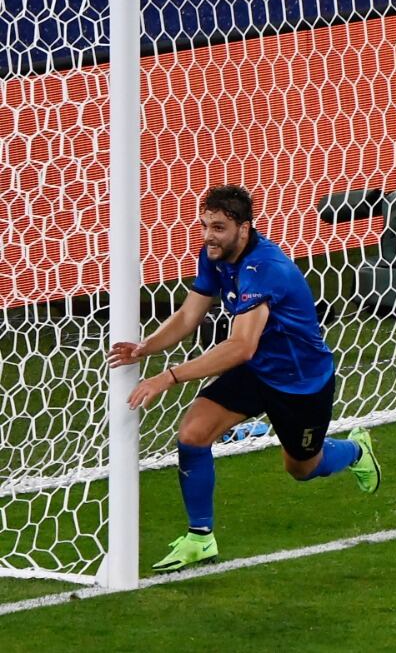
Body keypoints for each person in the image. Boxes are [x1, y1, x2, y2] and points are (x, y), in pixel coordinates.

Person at [108, 185, 381, 572]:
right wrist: (145, 347)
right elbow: (189, 316)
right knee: (192, 434)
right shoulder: (214, 257)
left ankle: (355, 450)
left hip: (298, 381)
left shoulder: (265, 269)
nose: (208, 236)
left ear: (245, 228)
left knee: (301, 468)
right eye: (204, 225)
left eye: (218, 227)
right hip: (257, 373)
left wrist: (168, 377)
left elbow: (240, 347)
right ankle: (200, 537)